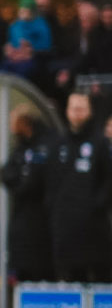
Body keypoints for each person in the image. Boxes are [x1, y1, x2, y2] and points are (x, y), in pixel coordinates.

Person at [44, 93, 112, 282]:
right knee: (72, 277)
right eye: (73, 108)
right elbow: (51, 182)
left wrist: (97, 204)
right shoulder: (59, 144)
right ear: (67, 111)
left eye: (81, 108)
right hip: (66, 227)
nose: (77, 113)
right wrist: (55, 208)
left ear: (90, 111)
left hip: (94, 227)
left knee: (100, 277)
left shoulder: (99, 143)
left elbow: (108, 179)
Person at [0, 104, 53, 282]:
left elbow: (36, 181)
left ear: (24, 122)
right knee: (22, 267)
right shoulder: (20, 148)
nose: (10, 126)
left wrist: (23, 184)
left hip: (42, 219)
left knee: (41, 267)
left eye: (13, 121)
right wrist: (22, 183)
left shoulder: (47, 143)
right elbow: (6, 173)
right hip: (22, 217)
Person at [0, 0, 52, 80]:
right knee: (2, 70)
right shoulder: (15, 26)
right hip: (14, 60)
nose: (24, 13)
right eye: (22, 10)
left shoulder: (41, 24)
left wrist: (31, 51)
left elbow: (46, 46)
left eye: (27, 10)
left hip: (32, 61)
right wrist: (9, 51)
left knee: (23, 72)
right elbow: (11, 44)